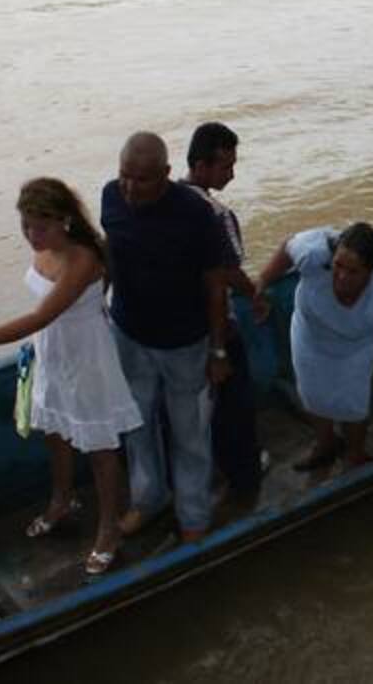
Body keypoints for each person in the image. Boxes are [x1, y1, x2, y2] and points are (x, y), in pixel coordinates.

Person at [0, 179, 142, 576]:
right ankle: (61, 500)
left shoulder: (83, 258)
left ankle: (108, 530)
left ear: (64, 220)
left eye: (41, 227)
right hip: (51, 351)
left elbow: (40, 315)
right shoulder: (44, 249)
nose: (32, 236)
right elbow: (42, 320)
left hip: (86, 357)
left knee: (99, 447)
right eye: (26, 226)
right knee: (54, 431)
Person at [101, 132, 230, 544]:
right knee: (136, 424)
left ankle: (193, 514)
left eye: (141, 179)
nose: (129, 187)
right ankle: (148, 497)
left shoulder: (196, 214)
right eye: (124, 175)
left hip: (185, 344)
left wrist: (218, 350)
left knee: (189, 432)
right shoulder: (110, 197)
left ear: (166, 174)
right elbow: (109, 256)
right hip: (129, 336)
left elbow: (216, 286)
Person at [254, 223, 373, 468]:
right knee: (311, 395)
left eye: (353, 271)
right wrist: (261, 282)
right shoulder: (313, 252)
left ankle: (355, 453)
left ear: (370, 272)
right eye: (338, 266)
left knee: (352, 404)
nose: (342, 276)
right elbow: (287, 248)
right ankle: (325, 444)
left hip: (354, 348)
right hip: (310, 337)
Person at [183, 122, 271, 497]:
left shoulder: (165, 201)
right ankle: (244, 477)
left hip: (177, 332)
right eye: (226, 166)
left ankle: (203, 473)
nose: (232, 174)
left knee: (190, 413)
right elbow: (229, 273)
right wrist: (255, 295)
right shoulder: (215, 213)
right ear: (200, 166)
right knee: (234, 407)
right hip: (216, 329)